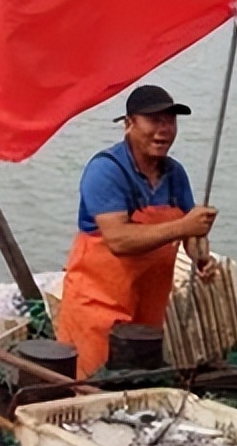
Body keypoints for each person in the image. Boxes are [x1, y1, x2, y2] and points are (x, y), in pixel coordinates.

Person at [55, 84, 219, 378]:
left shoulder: (175, 173)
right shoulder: (106, 170)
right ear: (129, 124)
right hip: (98, 306)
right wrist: (185, 225)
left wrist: (200, 257)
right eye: (154, 121)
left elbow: (189, 232)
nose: (164, 130)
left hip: (148, 310)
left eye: (170, 121)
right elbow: (118, 239)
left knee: (137, 384)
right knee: (93, 385)